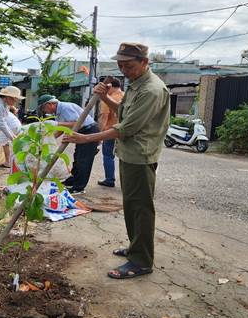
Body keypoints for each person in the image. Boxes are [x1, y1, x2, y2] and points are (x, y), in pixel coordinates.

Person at [64, 42, 170, 279]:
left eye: (129, 66)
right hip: (129, 153)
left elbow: (127, 127)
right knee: (131, 206)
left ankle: (141, 261)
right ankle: (135, 248)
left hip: (140, 156)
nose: (124, 70)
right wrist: (105, 98)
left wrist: (86, 138)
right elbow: (124, 112)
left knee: (141, 208)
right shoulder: (136, 84)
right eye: (121, 65)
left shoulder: (151, 90)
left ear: (145, 62)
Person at [37, 94, 99, 195]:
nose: (44, 111)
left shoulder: (65, 107)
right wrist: (49, 139)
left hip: (88, 131)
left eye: (44, 108)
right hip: (81, 132)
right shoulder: (58, 112)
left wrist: (57, 124)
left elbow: (79, 123)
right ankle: (73, 180)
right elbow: (62, 129)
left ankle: (79, 187)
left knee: (84, 160)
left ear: (50, 104)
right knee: (78, 157)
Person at [97, 78, 124, 188]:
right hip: (125, 131)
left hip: (110, 131)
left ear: (110, 86)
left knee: (108, 156)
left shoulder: (107, 99)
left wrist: (99, 135)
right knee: (124, 156)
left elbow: (104, 117)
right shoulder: (126, 96)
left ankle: (109, 179)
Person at [0, 105, 22, 171]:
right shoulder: (8, 113)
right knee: (6, 143)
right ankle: (8, 162)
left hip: (11, 127)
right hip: (18, 126)